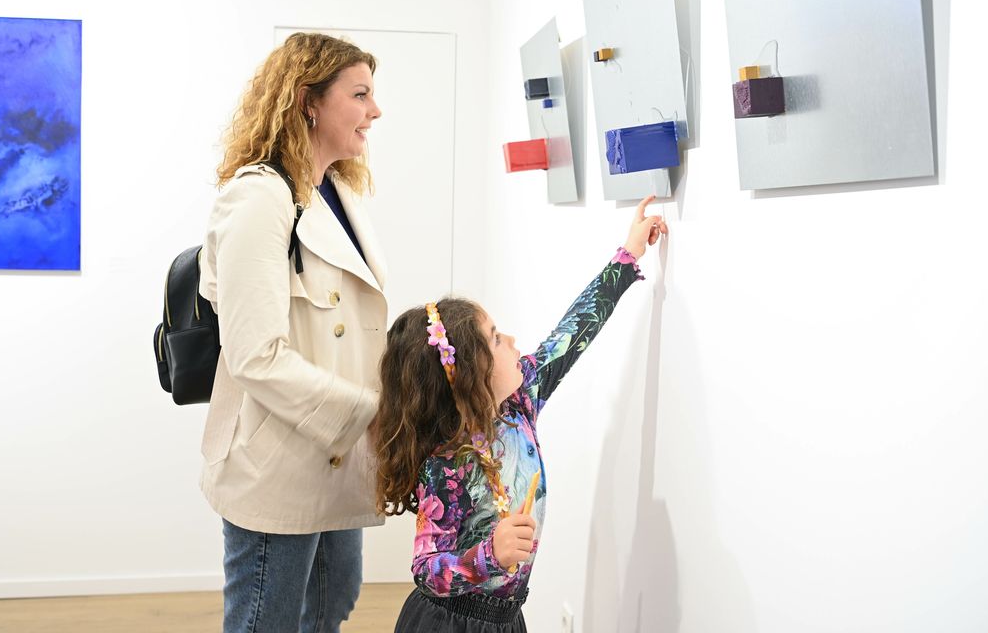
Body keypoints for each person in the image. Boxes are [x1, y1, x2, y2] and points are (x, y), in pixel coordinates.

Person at [373, 196, 668, 631]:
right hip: (450, 625)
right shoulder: (448, 462)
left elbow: (571, 333)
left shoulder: (520, 401)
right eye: (495, 338)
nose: (511, 340)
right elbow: (426, 569)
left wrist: (627, 257)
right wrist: (489, 554)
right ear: (470, 374)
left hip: (507, 620)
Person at [198, 32, 387, 632]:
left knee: (331, 605)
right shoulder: (259, 198)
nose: (375, 111)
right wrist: (369, 411)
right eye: (360, 95)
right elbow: (255, 356)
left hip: (336, 452)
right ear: (309, 101)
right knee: (267, 621)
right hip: (278, 457)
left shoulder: (337, 193)